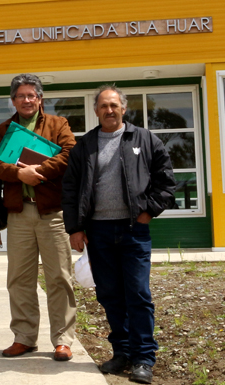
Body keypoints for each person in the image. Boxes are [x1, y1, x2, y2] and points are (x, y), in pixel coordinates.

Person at [62, 84, 175, 384]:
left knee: (138, 294)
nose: (109, 110)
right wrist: (74, 228)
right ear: (95, 110)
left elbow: (166, 182)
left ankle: (143, 358)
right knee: (110, 294)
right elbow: (70, 189)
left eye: (114, 105)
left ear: (124, 108)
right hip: (97, 232)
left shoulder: (145, 139)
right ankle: (122, 352)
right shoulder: (84, 145)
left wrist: (148, 211)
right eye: (103, 106)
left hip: (133, 230)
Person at [0, 73, 77, 361]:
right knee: (19, 279)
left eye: (31, 95)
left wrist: (37, 171)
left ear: (39, 99)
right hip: (19, 213)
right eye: (20, 96)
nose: (26, 100)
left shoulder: (58, 124)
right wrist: (18, 173)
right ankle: (24, 338)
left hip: (52, 213)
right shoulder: (5, 129)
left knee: (59, 277)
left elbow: (68, 155)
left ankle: (63, 340)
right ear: (13, 100)